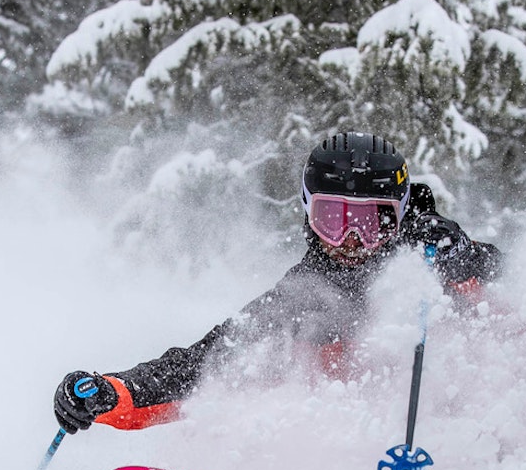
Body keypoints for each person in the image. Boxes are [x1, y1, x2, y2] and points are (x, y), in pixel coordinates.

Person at [52, 131, 502, 434]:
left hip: (471, 438)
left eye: (372, 222)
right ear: (308, 212)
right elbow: (202, 367)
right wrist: (114, 392)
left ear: (400, 214)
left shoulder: (438, 257)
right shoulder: (302, 300)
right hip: (359, 457)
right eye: (333, 218)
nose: (351, 240)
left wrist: (468, 266)